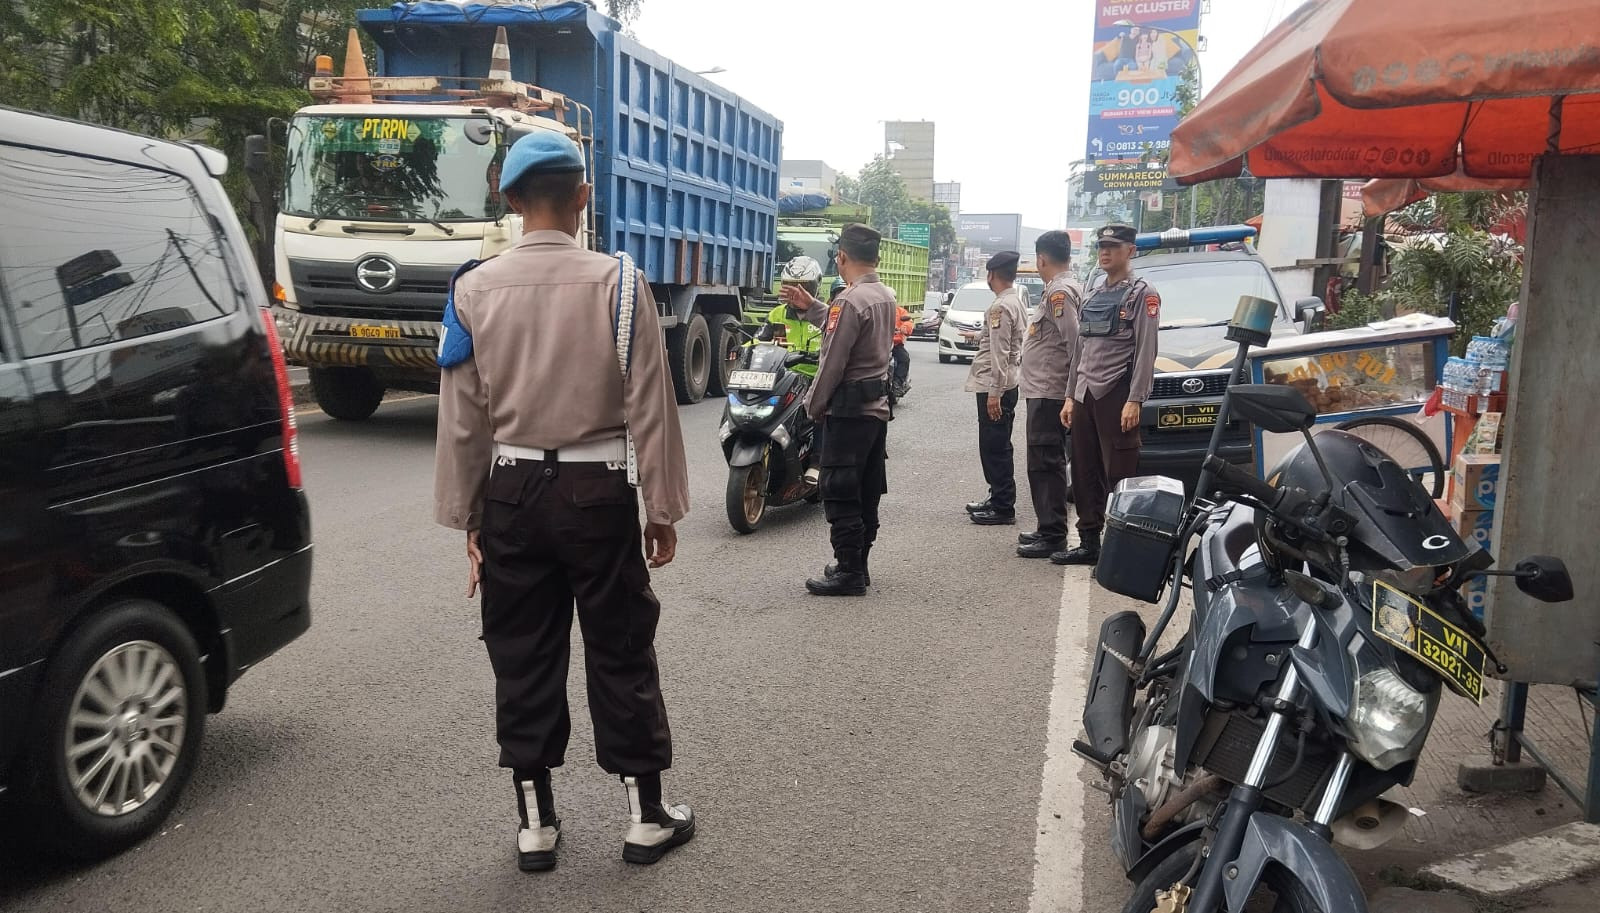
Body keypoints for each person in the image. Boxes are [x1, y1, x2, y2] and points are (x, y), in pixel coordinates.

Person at [433, 130, 695, 871]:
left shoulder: (471, 289)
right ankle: (647, 815)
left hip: (513, 491)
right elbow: (652, 405)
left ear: (510, 201)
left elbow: (463, 420)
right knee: (620, 645)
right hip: (597, 491)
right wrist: (661, 509)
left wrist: (472, 521)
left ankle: (536, 823)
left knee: (521, 652)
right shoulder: (621, 283)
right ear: (583, 197)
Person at [779, 223, 895, 596]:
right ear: (875, 258)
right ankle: (858, 565)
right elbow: (842, 325)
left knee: (841, 489)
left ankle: (847, 573)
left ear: (841, 257)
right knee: (866, 490)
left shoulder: (849, 300)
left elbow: (833, 360)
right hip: (875, 411)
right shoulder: (884, 296)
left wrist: (813, 406)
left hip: (847, 412)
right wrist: (811, 306)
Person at [1052, 223, 1160, 566]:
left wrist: (1136, 398)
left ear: (1131, 250)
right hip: (1086, 395)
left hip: (1117, 393)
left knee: (1121, 475)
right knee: (1084, 473)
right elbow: (1081, 350)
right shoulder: (1094, 294)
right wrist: (1071, 395)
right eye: (1102, 245)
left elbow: (1146, 349)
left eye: (1113, 246)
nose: (1105, 251)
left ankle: (1121, 551)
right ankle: (1089, 543)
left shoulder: (1144, 294)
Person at [1016, 232, 1083, 559]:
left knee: (1045, 462)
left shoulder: (1060, 293)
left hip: (1051, 391)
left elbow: (1075, 345)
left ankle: (1053, 533)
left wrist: (1071, 394)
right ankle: (1048, 528)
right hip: (1047, 390)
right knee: (1044, 461)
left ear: (1041, 259)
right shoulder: (1065, 288)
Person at [963, 250, 1027, 526]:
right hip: (1007, 381)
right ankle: (997, 497)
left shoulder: (1000, 307)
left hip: (996, 384)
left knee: (994, 446)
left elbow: (1000, 352)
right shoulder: (1016, 301)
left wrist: (994, 393)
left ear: (991, 275)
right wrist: (978, 335)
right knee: (997, 443)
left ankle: (1002, 505)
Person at [890, 302, 914, 394]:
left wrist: (904, 328)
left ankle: (898, 383)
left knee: (904, 359)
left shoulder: (900, 311)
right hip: (878, 344)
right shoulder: (876, 310)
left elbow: (908, 322)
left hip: (895, 344)